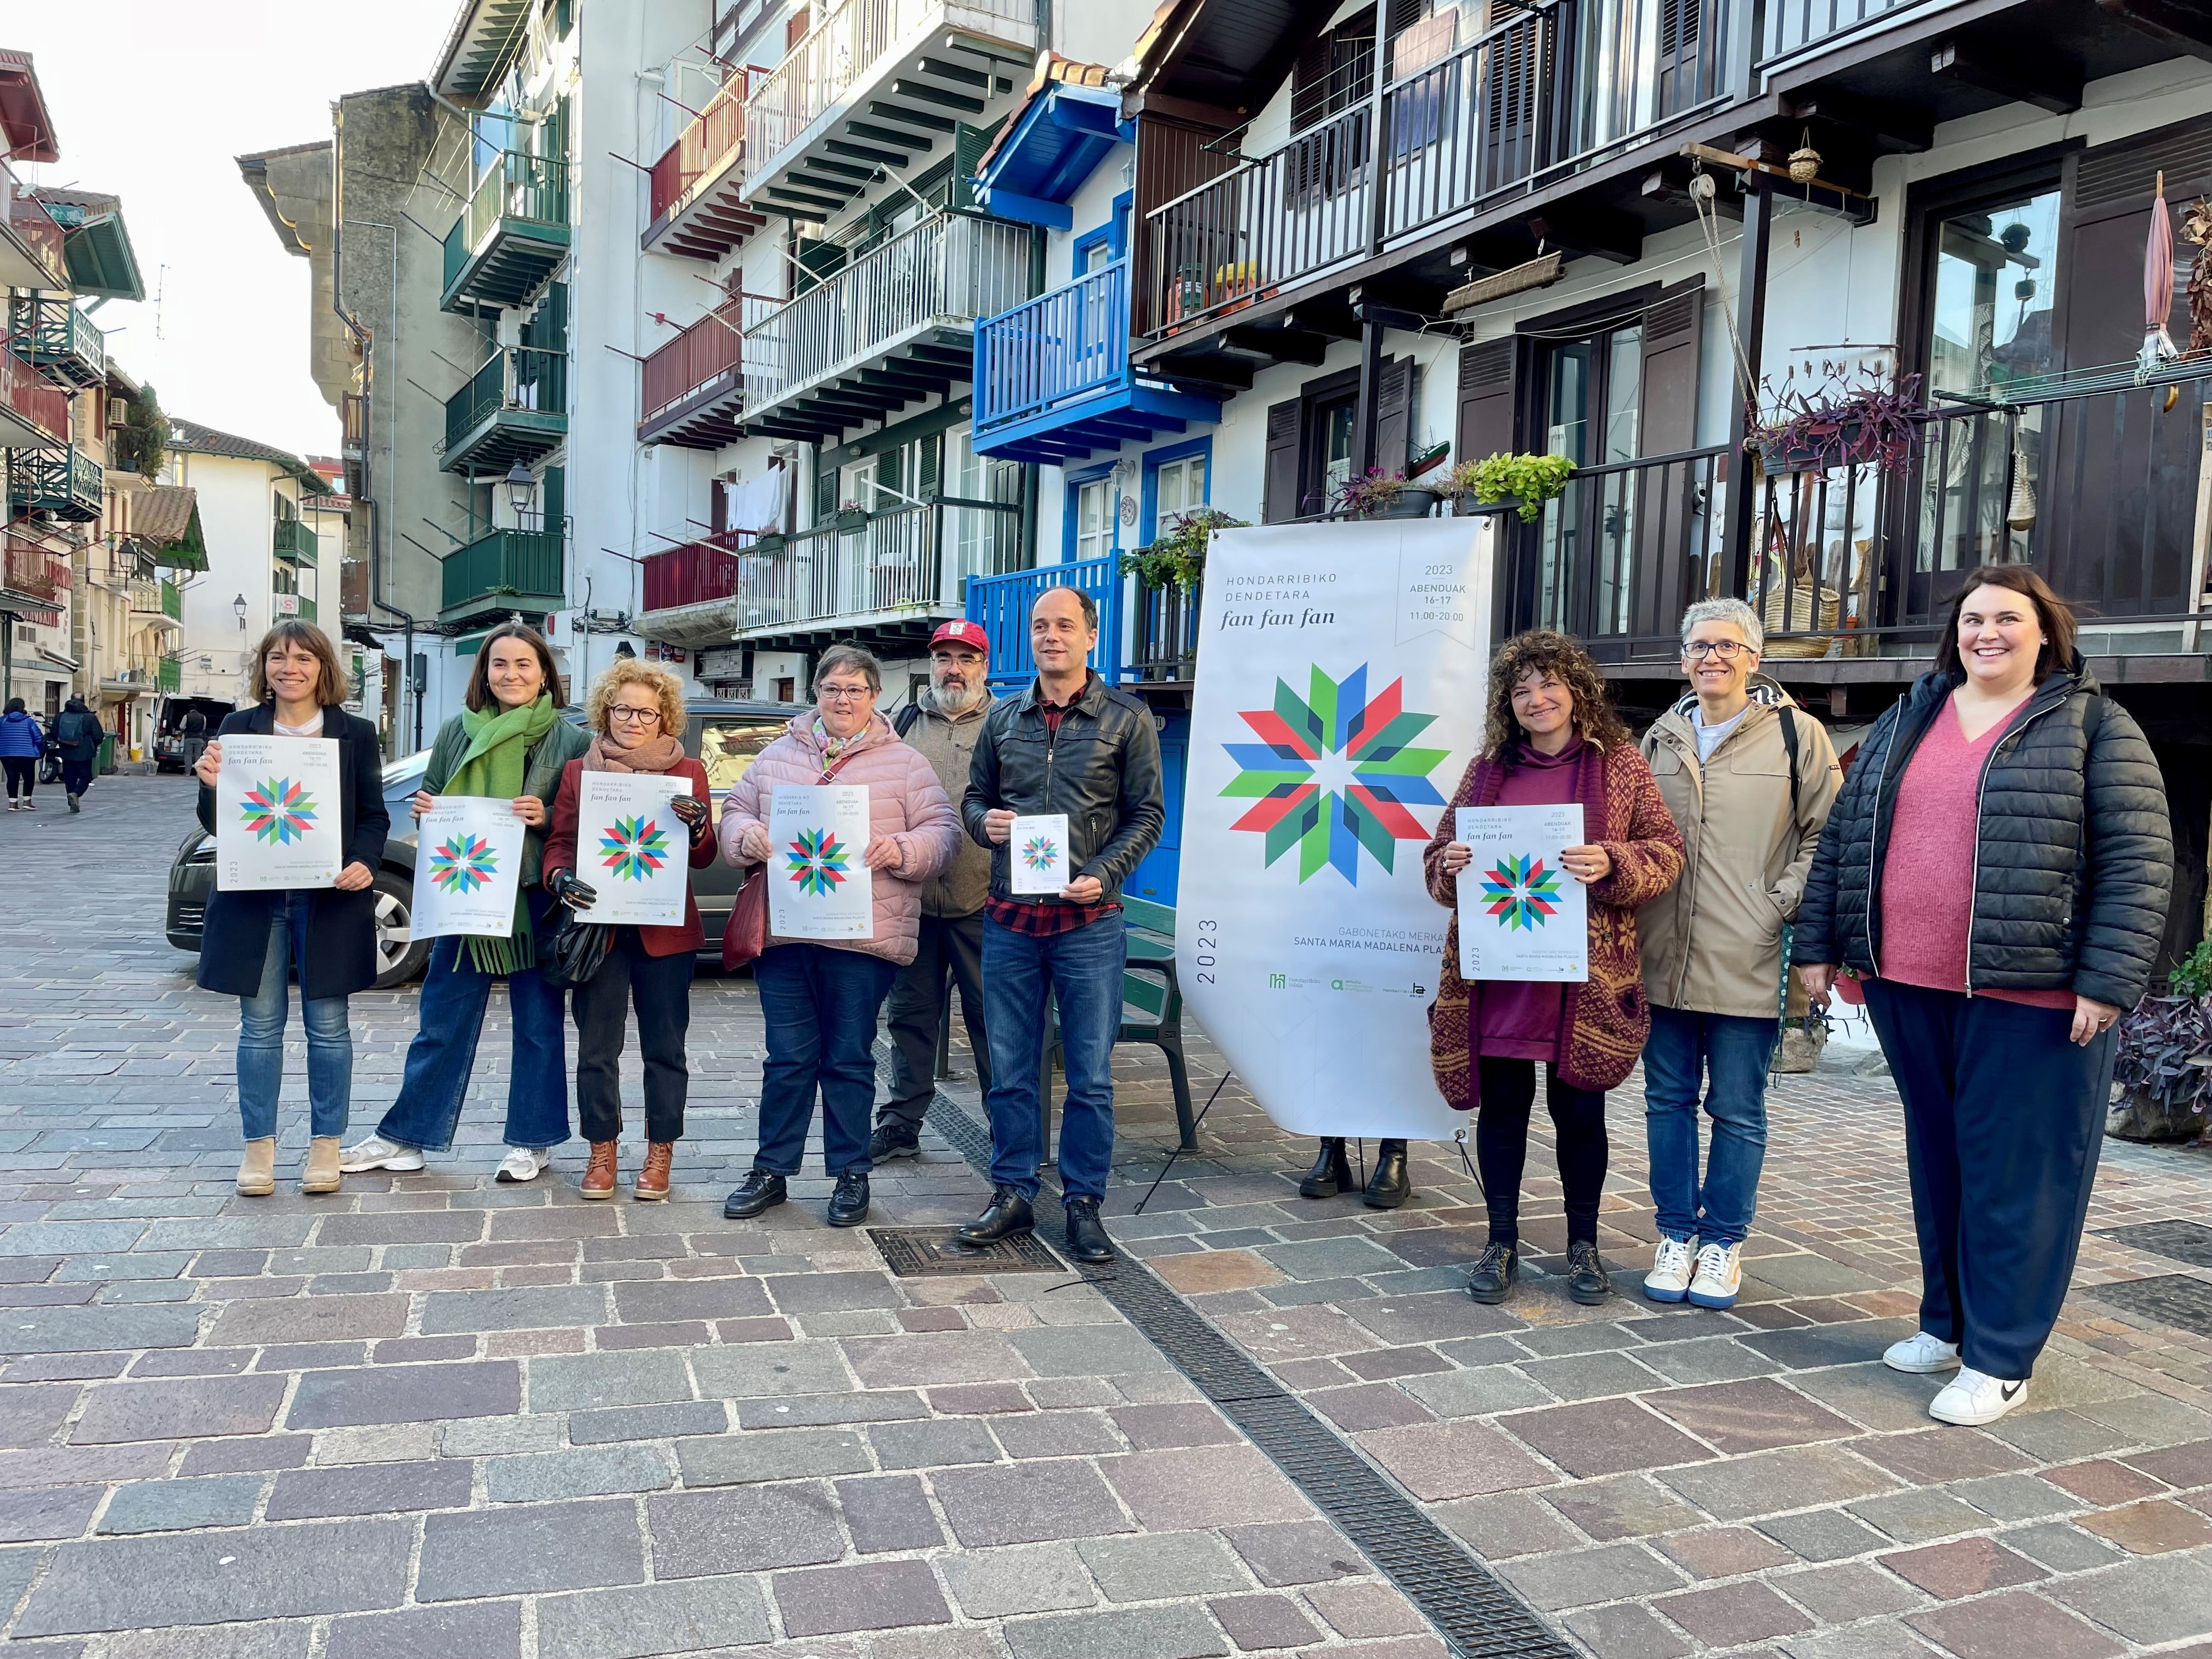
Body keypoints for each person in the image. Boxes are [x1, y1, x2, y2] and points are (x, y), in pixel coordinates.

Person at [1796, 565, 2170, 1425]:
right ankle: (1948, 1323)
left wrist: (2107, 982)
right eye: (1973, 619)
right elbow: (1847, 833)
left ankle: (2002, 1357)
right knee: (1941, 1160)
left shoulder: (2092, 725)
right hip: (1907, 981)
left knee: (2021, 1176)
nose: (1987, 633)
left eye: (2009, 618)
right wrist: (1816, 945)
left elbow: (2139, 862)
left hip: (2030, 994)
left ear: (2046, 632)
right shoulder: (1911, 714)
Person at [1426, 630, 1684, 1306]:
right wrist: (1449, 865)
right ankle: (1501, 1241)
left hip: (1584, 980)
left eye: (1548, 685)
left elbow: (1667, 851)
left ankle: (1584, 1248)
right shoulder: (1489, 770)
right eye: (1521, 691)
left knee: (1580, 1112)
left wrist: (1613, 862)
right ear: (1507, 704)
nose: (1536, 700)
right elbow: (1439, 857)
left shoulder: (1621, 766)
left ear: (1577, 691)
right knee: (1505, 1108)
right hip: (1500, 975)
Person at [1635, 598, 1841, 1310]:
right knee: (1665, 1101)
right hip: (1661, 956)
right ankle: (1674, 1235)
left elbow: (1830, 834)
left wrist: (1779, 903)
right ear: (1683, 658)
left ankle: (1722, 1241)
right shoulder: (1659, 738)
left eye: (1727, 645)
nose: (1711, 657)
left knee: (1737, 1107)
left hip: (1749, 956)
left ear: (1755, 659)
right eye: (1698, 646)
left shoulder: (1795, 736)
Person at [958, 587, 1165, 1265]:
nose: (1052, 636)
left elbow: (1147, 816)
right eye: (1041, 626)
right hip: (1011, 921)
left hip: (1089, 924)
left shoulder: (1128, 720)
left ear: (1090, 637)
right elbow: (976, 798)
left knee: (1090, 1076)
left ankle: (1083, 1203)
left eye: (1065, 626)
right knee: (1012, 1070)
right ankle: (1013, 1191)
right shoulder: (1003, 719)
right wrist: (980, 824)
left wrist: (1105, 873)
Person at [719, 645, 960, 1227]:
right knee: (788, 1058)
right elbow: (734, 810)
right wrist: (747, 834)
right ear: (817, 694)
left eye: (855, 689)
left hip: (863, 939)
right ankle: (772, 1170)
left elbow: (944, 834)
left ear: (875, 696)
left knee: (850, 1058)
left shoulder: (904, 764)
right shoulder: (777, 755)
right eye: (832, 688)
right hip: (786, 935)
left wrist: (902, 849)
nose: (843, 699)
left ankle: (852, 1173)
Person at [340, 624, 590, 1183]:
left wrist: (546, 816)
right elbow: (432, 795)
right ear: (485, 673)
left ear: (545, 672)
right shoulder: (458, 731)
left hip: (532, 901)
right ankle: (406, 1137)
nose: (512, 674)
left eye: (524, 664)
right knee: (441, 1020)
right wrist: (429, 809)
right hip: (466, 894)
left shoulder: (570, 740)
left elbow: (582, 824)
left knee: (538, 1024)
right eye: (500, 664)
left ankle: (534, 1141)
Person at [193, 622, 387, 1196]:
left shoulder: (354, 732)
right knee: (259, 1028)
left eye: (304, 658)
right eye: (278, 658)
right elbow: (217, 823)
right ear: (265, 667)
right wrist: (209, 787)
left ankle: (326, 1146)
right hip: (255, 897)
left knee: (329, 1028)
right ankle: (260, 1149)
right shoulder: (238, 728)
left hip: (329, 897)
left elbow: (373, 815)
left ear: (324, 668)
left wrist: (365, 861)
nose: (290, 668)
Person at [542, 661, 718, 1200]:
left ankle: (660, 1153)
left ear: (664, 715)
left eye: (646, 711)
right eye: (623, 709)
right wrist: (559, 877)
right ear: (606, 711)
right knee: (597, 1049)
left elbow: (706, 857)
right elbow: (560, 842)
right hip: (603, 931)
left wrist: (698, 826)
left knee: (666, 1049)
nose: (634, 720)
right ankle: (602, 1152)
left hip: (666, 934)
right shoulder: (579, 770)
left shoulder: (688, 771)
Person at [872, 620, 996, 1162]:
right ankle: (902, 1121)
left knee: (993, 1019)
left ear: (983, 667)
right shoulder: (899, 725)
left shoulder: (1009, 723)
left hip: (987, 902)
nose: (954, 668)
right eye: (945, 657)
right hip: (915, 901)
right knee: (910, 1016)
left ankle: (1007, 1121)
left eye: (965, 658)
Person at [52, 695, 101, 812]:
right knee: (86, 777)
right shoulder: (89, 717)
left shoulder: (60, 717)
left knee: (69, 778)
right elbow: (99, 736)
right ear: (83, 702)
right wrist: (90, 744)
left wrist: (64, 743)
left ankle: (72, 802)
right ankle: (75, 794)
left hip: (66, 753)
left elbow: (54, 734)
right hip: (84, 753)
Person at [0, 699, 42, 810]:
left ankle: (12, 804)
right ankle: (27, 802)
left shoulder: (2, 720)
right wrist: (39, 748)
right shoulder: (29, 721)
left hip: (7, 754)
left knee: (12, 778)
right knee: (28, 778)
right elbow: (37, 737)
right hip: (27, 754)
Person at [180, 707, 209, 776]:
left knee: (188, 755)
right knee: (198, 756)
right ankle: (198, 773)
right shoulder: (203, 717)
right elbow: (204, 728)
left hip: (189, 738)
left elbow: (182, 726)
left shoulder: (186, 716)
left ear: (190, 709)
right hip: (199, 739)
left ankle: (188, 772)